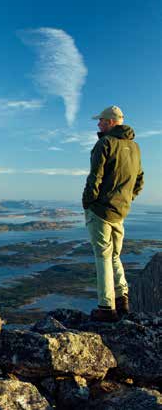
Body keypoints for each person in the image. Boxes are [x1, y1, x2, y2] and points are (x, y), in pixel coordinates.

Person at [82, 106, 144, 322]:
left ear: (110, 122)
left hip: (100, 210)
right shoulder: (135, 147)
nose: (98, 124)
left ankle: (106, 308)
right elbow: (139, 180)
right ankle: (122, 300)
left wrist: (88, 203)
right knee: (115, 256)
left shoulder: (105, 143)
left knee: (102, 256)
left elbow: (95, 177)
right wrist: (126, 199)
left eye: (101, 121)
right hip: (120, 211)